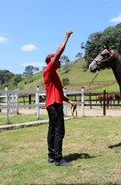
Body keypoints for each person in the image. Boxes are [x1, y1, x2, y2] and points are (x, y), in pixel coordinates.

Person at [43, 29, 76, 166]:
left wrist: (69, 101)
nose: (60, 60)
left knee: (52, 130)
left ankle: (51, 155)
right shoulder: (49, 70)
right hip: (54, 105)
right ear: (51, 61)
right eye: (57, 59)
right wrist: (66, 37)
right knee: (59, 130)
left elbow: (59, 94)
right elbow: (58, 52)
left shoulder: (54, 75)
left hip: (53, 103)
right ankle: (58, 158)